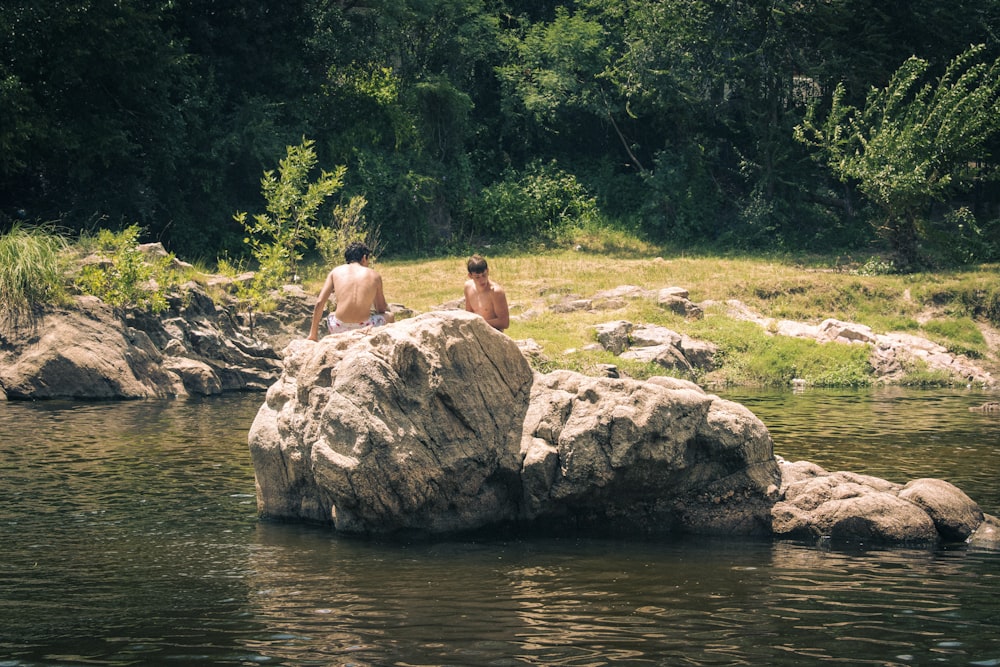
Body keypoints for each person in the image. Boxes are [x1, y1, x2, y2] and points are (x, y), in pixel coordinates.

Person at [307, 242, 394, 340]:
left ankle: (334, 340)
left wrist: (313, 334)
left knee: (332, 315)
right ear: (364, 258)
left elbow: (319, 302)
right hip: (365, 327)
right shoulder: (374, 275)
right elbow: (381, 309)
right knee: (390, 316)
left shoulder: (335, 272)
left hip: (338, 327)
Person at [464, 254, 509, 332]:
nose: (482, 280)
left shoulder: (496, 292)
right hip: (476, 332)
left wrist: (479, 323)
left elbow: (504, 322)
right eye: (477, 277)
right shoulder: (468, 287)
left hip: (493, 334)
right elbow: (469, 313)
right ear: (470, 276)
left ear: (488, 271)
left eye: (484, 275)